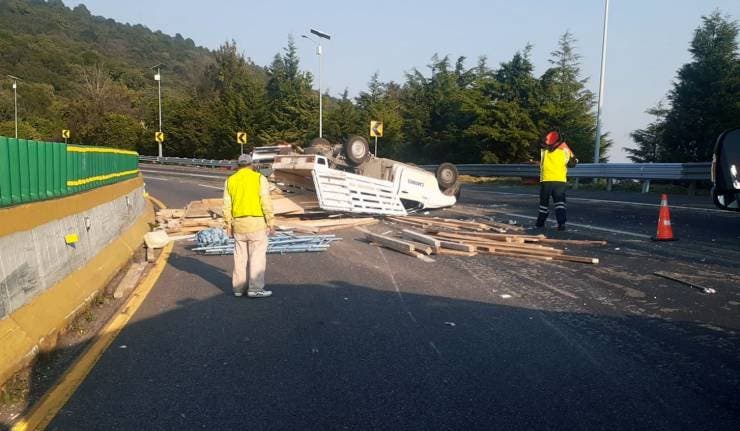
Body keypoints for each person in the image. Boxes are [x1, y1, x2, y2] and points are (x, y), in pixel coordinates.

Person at [223, 154, 275, 298]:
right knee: (257, 257)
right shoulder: (259, 178)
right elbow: (265, 201)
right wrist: (270, 222)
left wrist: (228, 225)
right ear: (251, 164)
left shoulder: (230, 181)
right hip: (257, 223)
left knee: (239, 258)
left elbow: (226, 206)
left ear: (238, 165)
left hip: (239, 224)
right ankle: (255, 288)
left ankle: (238, 289)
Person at [536, 130, 578, 231]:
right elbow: (572, 164)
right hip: (559, 181)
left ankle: (540, 223)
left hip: (546, 180)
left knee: (543, 203)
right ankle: (561, 223)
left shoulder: (544, 152)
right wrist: (575, 158)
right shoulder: (565, 152)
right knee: (560, 203)